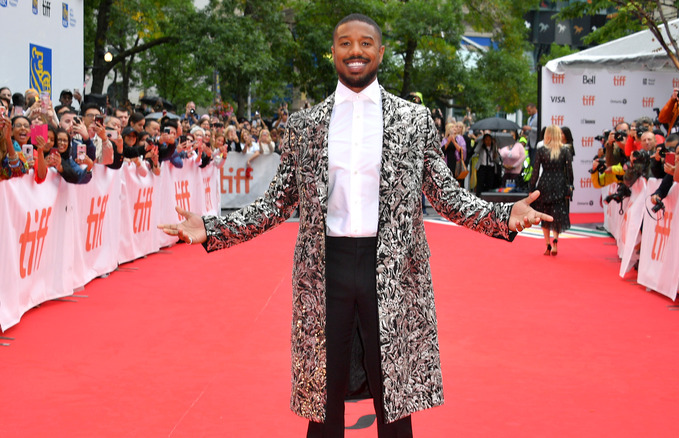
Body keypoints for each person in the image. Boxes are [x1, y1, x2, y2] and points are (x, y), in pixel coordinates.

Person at [159, 13, 550, 438]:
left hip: (395, 270)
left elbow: (445, 195)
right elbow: (275, 203)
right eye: (345, 43)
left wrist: (502, 216)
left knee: (395, 400)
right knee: (323, 400)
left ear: (381, 52)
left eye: (365, 43)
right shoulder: (305, 126)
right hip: (327, 269)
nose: (356, 51)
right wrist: (213, 228)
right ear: (333, 53)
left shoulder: (413, 120)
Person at [529, 125, 573, 256]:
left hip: (545, 183)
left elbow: (535, 171)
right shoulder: (565, 150)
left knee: (545, 214)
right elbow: (569, 171)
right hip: (559, 183)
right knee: (557, 214)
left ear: (547, 135)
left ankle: (547, 243)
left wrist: (532, 188)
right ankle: (555, 241)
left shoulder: (542, 150)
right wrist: (570, 186)